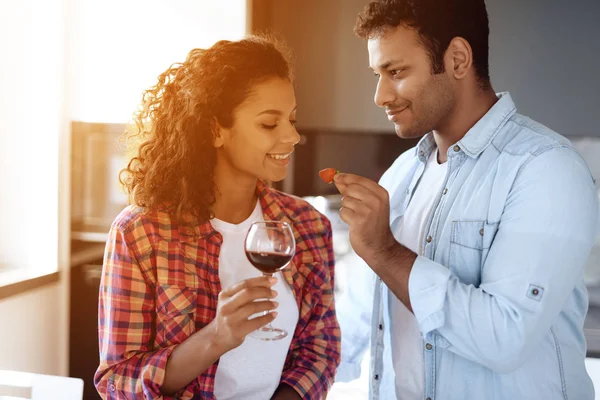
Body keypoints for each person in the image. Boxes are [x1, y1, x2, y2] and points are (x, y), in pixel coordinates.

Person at [334, 0, 599, 399]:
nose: (380, 95)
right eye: (377, 74)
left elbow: (504, 337)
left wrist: (385, 251)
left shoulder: (545, 168)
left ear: (457, 59)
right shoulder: (401, 175)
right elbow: (355, 319)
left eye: (396, 72)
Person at [94, 36, 340, 400]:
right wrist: (215, 337)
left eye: (291, 119)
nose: (292, 136)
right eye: (270, 124)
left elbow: (321, 352)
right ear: (215, 130)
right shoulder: (140, 233)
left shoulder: (307, 226)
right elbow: (117, 381)